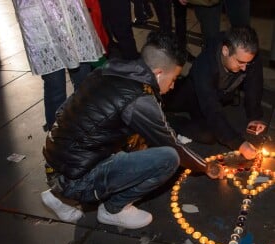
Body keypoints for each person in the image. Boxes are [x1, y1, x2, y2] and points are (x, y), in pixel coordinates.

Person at [41, 31, 223, 229]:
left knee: (138, 139)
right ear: (158, 73)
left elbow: (65, 111)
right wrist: (206, 167)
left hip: (57, 164)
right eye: (174, 79)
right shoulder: (139, 99)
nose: (172, 87)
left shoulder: (109, 70)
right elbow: (172, 144)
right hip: (75, 178)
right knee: (168, 158)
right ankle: (114, 209)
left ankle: (57, 195)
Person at [163, 26, 266, 160]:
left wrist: (254, 116)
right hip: (191, 94)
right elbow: (211, 107)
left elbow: (254, 86)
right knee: (160, 99)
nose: (245, 68)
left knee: (208, 135)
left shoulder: (248, 57)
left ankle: (171, 121)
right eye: (240, 62)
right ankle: (162, 118)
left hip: (213, 99)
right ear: (225, 50)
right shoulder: (205, 64)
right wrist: (239, 144)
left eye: (248, 63)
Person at [12, 0, 105, 130]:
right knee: (55, 87)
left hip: (72, 19)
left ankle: (87, 127)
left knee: (83, 82)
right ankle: (57, 135)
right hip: (43, 24)